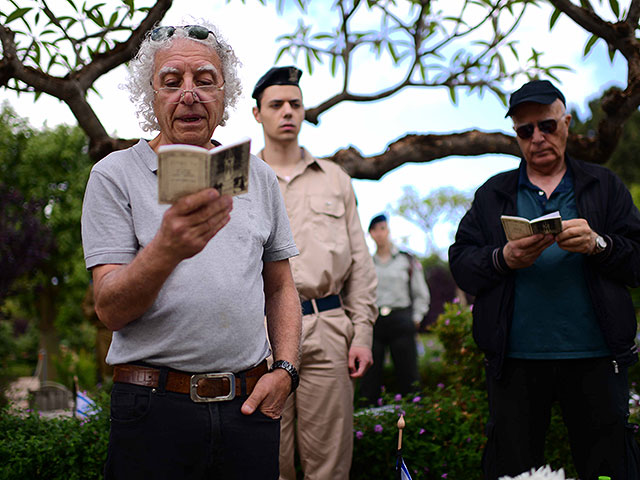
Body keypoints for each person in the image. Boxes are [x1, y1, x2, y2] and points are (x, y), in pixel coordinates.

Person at [81, 22, 302, 480]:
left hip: (248, 405)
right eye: (171, 81)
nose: (189, 94)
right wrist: (165, 249)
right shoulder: (114, 175)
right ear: (151, 96)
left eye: (205, 80)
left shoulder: (257, 176)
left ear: (225, 95)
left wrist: (285, 370)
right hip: (152, 408)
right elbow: (110, 310)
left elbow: (280, 287)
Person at [448, 79, 640, 480]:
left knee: (608, 469)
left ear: (567, 123)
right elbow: (462, 263)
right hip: (515, 363)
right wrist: (503, 257)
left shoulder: (603, 186)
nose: (537, 137)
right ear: (517, 135)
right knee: (514, 472)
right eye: (525, 130)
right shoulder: (493, 193)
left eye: (547, 126)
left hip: (596, 357)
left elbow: (637, 261)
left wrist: (598, 244)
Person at [251, 65, 378, 480]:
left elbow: (360, 263)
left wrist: (362, 335)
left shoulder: (336, 179)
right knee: (269, 462)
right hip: (259, 336)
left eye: (295, 103)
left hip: (328, 328)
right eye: (276, 104)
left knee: (329, 467)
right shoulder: (240, 179)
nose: (287, 111)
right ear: (257, 114)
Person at [360, 213, 430, 405]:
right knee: (370, 376)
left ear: (388, 231)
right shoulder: (366, 263)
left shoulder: (406, 260)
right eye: (375, 230)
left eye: (383, 228)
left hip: (401, 318)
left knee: (408, 373)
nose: (380, 233)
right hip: (375, 321)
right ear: (371, 234)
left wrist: (416, 318)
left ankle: (415, 414)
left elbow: (421, 292)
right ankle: (368, 420)